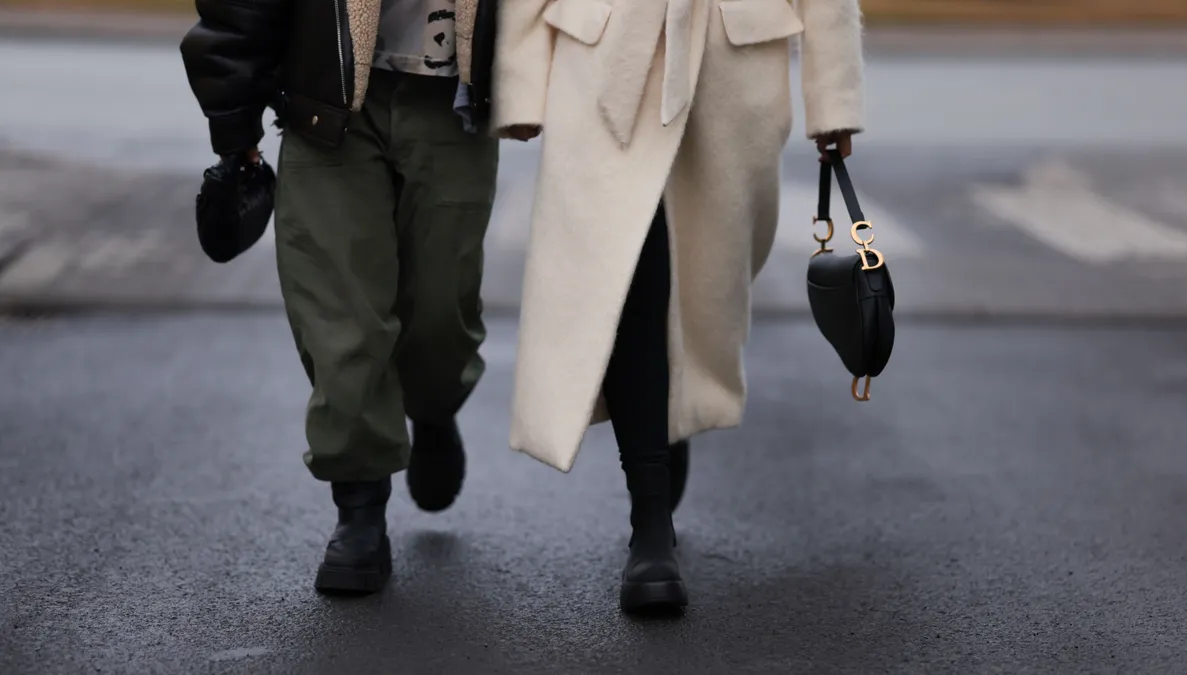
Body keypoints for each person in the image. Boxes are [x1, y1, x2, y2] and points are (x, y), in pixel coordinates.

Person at [492, 0, 864, 612]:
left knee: (705, 283)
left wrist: (834, 101)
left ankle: (675, 406)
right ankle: (651, 522)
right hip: (604, 53)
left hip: (731, 63)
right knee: (621, 272)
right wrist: (521, 82)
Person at [181, 0, 500, 594]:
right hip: (325, 103)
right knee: (339, 318)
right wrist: (235, 127)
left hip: (452, 100)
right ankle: (359, 508)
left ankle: (433, 405)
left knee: (441, 312)